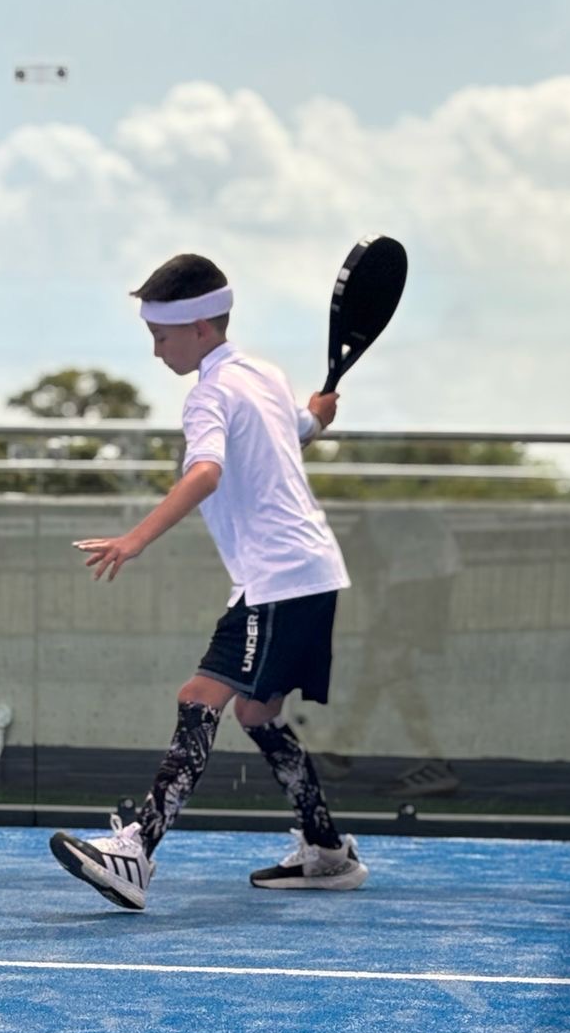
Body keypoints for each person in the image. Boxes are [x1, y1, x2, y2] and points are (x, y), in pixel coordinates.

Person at [48, 253, 368, 911]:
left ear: (198, 328)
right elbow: (298, 430)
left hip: (277, 575)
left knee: (200, 697)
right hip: (309, 571)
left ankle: (135, 849)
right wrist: (318, 414)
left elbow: (207, 473)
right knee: (256, 711)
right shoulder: (264, 376)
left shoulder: (209, 395)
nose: (155, 349)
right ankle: (327, 849)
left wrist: (134, 539)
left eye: (160, 336)